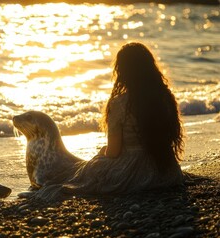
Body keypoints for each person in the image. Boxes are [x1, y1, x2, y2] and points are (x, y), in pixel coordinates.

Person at [37, 42, 185, 200]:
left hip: (132, 175)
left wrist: (103, 152)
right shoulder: (165, 97)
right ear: (150, 68)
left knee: (93, 166)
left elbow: (113, 152)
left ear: (122, 71)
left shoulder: (120, 103)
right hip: (167, 172)